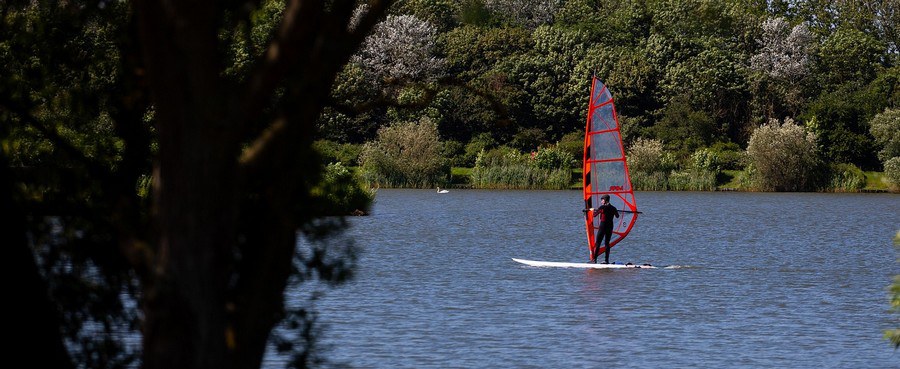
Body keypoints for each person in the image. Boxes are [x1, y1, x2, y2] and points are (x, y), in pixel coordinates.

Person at [590, 194, 618, 264]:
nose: (601, 201)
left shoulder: (602, 207)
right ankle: (606, 260)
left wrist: (592, 210)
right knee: (607, 243)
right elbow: (617, 216)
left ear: (605, 200)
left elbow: (594, 215)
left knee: (598, 243)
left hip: (603, 226)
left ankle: (594, 260)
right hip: (610, 226)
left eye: (602, 200)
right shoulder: (613, 208)